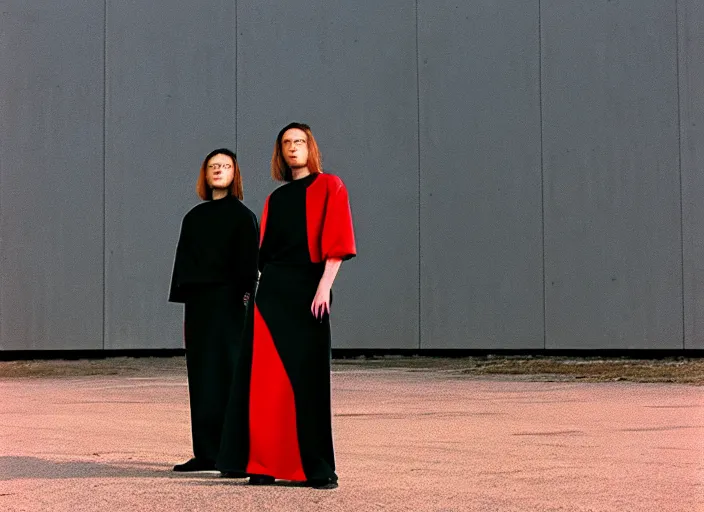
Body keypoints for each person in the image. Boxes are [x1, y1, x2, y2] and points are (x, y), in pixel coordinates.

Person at [217, 123, 356, 489]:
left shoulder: (331, 185)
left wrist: (324, 288)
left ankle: (317, 468)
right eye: (286, 143)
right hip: (273, 292)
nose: (293, 148)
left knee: (308, 380)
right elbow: (264, 256)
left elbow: (337, 242)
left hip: (310, 290)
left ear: (311, 147)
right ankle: (262, 463)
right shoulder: (274, 199)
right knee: (265, 381)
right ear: (280, 153)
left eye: (299, 141)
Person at [169, 148, 259, 472]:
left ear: (235, 174)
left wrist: (246, 305)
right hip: (199, 308)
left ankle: (235, 454)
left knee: (230, 377)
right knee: (202, 378)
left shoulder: (243, 216)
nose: (218, 170)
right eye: (212, 166)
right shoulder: (193, 218)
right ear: (204, 175)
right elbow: (183, 265)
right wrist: (187, 305)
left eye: (225, 166)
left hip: (232, 306)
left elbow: (250, 269)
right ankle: (205, 453)